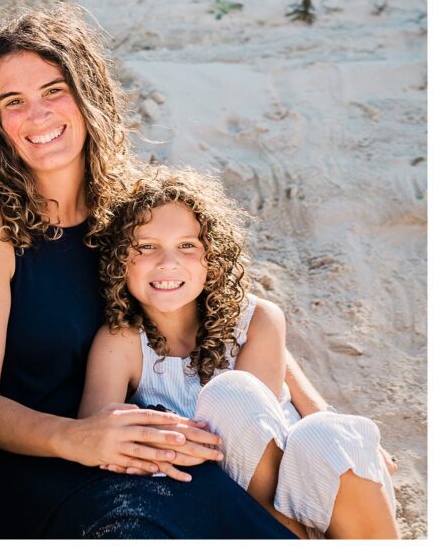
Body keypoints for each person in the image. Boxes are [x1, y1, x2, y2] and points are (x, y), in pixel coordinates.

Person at [0, 2, 308, 537]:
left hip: (138, 448)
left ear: (87, 94)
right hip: (28, 464)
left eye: (53, 91)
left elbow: (231, 307)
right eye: (13, 102)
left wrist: (318, 413)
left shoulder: (130, 204)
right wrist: (78, 437)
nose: (38, 116)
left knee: (215, 494)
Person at [79, 165, 398, 539]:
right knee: (230, 397)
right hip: (232, 512)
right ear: (119, 259)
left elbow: (253, 427)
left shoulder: (257, 320)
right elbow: (96, 437)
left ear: (211, 259)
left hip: (317, 496)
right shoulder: (121, 342)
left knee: (321, 430)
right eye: (146, 247)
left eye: (187, 245)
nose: (168, 263)